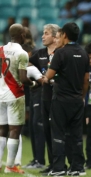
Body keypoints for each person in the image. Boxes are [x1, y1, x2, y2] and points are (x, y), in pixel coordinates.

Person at [43, 22, 89, 176]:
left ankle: (58, 168)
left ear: (65, 35)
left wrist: (40, 78)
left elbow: (48, 76)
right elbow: (86, 80)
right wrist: (81, 97)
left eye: (60, 34)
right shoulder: (84, 54)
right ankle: (77, 168)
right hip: (77, 100)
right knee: (76, 135)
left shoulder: (60, 53)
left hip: (61, 100)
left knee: (58, 134)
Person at [0, 23, 37, 174]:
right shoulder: (21, 53)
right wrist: (33, 83)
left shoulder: (1, 49)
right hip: (15, 95)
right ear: (22, 36)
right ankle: (10, 166)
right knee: (14, 130)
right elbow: (23, 78)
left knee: (1, 130)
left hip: (0, 94)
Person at [24, 24, 60, 172]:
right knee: (37, 125)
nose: (43, 36)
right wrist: (35, 79)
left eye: (46, 33)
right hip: (41, 93)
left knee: (50, 127)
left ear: (55, 36)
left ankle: (52, 161)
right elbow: (27, 65)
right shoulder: (39, 53)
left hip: (57, 95)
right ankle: (42, 160)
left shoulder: (61, 53)